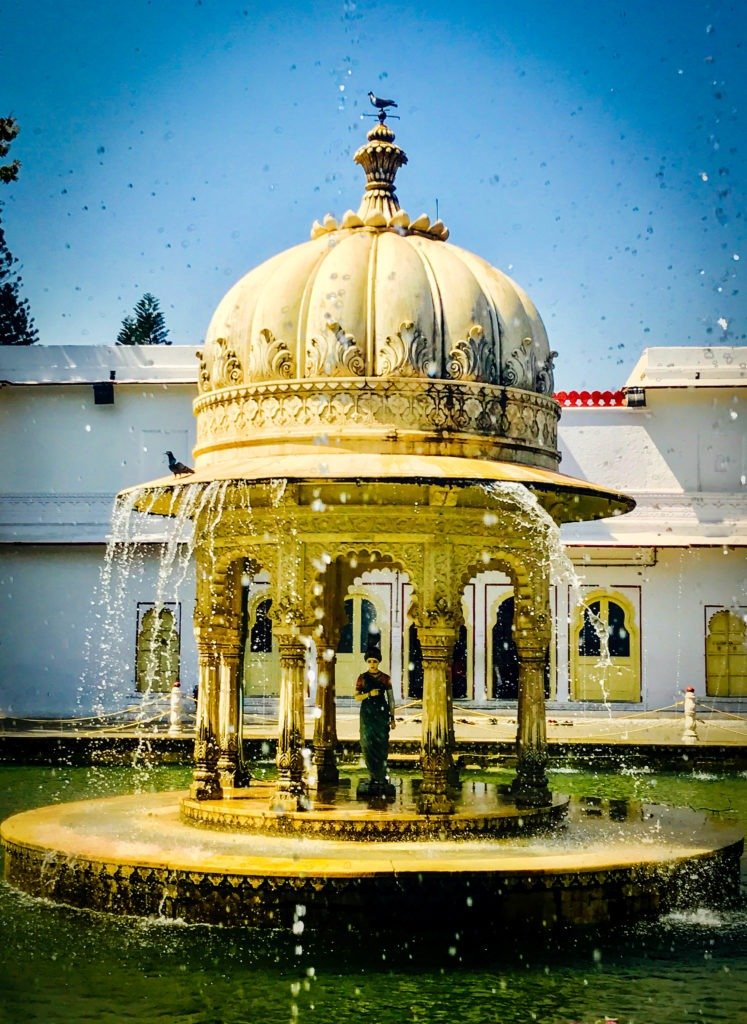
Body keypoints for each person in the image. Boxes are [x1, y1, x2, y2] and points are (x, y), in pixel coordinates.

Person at [355, 649, 395, 795]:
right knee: (367, 742)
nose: (372, 664)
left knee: (382, 743)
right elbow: (356, 697)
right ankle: (372, 774)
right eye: (370, 661)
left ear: (379, 662)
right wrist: (368, 694)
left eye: (375, 661)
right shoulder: (362, 678)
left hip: (381, 713)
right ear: (367, 662)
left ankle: (381, 775)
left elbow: (391, 699)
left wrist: (392, 717)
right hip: (367, 714)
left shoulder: (385, 678)